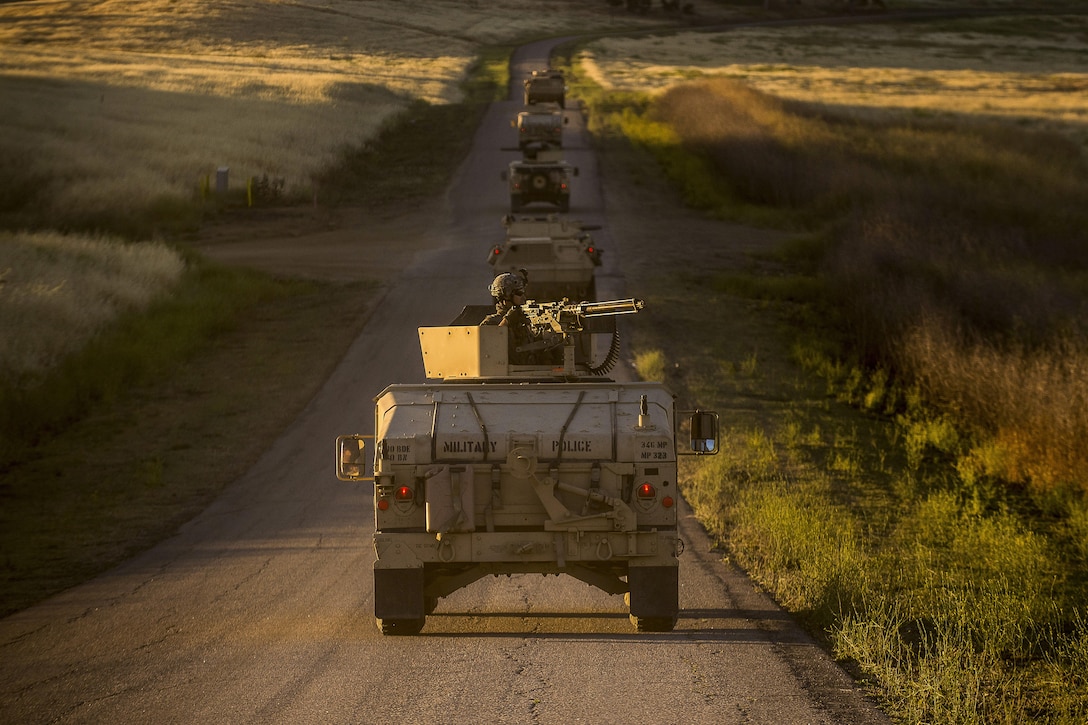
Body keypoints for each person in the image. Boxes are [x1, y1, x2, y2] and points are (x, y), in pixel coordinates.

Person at [481, 272, 538, 364]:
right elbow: (488, 347)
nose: (524, 297)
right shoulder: (491, 322)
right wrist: (507, 321)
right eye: (519, 293)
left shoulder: (525, 321)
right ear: (506, 295)